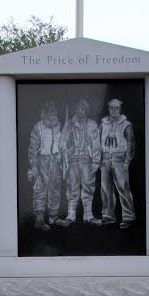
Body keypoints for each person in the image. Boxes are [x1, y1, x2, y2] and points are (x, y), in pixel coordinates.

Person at [60, 97, 101, 226]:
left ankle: (88, 216)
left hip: (87, 161)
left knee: (88, 188)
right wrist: (66, 150)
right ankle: (71, 215)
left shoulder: (92, 125)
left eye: (83, 108)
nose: (80, 111)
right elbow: (61, 143)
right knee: (72, 188)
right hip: (72, 161)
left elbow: (96, 144)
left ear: (86, 110)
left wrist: (95, 161)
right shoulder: (69, 124)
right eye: (78, 108)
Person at [27, 101, 65, 231]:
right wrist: (33, 166)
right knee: (40, 190)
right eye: (50, 114)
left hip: (55, 161)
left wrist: (61, 157)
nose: (52, 116)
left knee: (55, 189)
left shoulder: (58, 127)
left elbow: (61, 144)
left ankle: (53, 217)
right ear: (45, 114)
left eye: (54, 113)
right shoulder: (38, 128)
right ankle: (39, 219)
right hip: (42, 160)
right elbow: (32, 149)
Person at [98, 98, 136, 228]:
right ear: (109, 109)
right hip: (105, 158)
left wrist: (127, 161)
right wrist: (98, 159)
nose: (114, 110)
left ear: (120, 109)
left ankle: (128, 216)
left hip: (119, 158)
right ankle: (108, 215)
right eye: (111, 108)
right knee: (105, 188)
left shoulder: (126, 125)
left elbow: (131, 143)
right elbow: (97, 140)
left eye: (116, 108)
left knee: (123, 187)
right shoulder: (103, 124)